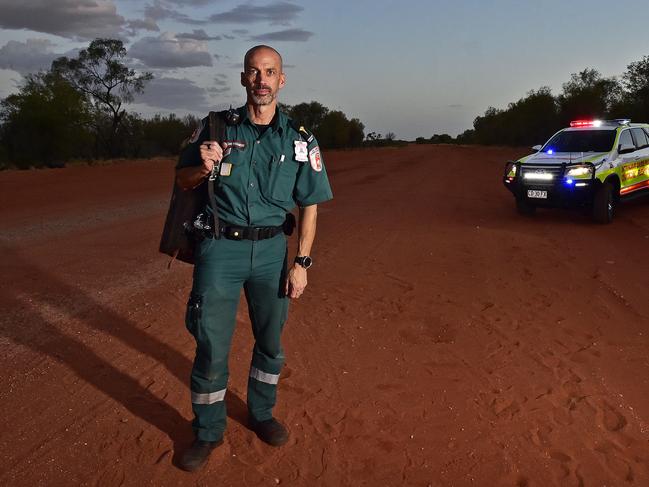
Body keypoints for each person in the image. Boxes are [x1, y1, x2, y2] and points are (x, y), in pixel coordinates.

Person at [175, 45, 333, 472]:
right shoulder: (213, 127)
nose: (261, 79)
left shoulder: (301, 140)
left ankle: (261, 412)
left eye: (270, 71)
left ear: (282, 80)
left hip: (270, 255)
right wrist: (203, 167)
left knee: (270, 342)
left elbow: (311, 205)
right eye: (253, 71)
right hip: (220, 250)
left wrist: (301, 263)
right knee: (210, 344)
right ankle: (207, 431)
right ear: (243, 79)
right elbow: (183, 179)